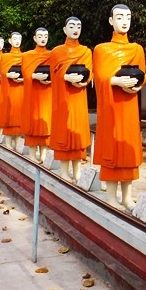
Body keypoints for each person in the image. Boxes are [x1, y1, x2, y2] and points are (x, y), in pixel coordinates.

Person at [93, 4, 146, 210]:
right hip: (111, 106)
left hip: (129, 104)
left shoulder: (137, 49)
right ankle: (111, 196)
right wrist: (116, 82)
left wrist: (137, 84)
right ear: (111, 21)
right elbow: (99, 77)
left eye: (128, 17)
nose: (124, 21)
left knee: (128, 148)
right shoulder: (101, 49)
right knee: (112, 147)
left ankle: (127, 196)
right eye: (120, 17)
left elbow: (143, 72)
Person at [48, 17, 93, 182]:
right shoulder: (57, 52)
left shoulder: (86, 51)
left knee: (78, 132)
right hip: (63, 98)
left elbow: (90, 73)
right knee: (64, 132)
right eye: (72, 26)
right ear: (64, 30)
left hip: (78, 97)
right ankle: (64, 171)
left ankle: (78, 171)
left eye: (79, 26)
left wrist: (83, 79)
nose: (76, 29)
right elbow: (54, 73)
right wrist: (65, 76)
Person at [21, 28, 53, 162]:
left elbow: (56, 70)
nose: (43, 38)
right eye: (40, 36)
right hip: (33, 93)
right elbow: (25, 72)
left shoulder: (52, 54)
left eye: (45, 36)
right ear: (34, 38)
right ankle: (33, 155)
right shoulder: (28, 55)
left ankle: (44, 156)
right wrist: (33, 75)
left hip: (47, 93)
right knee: (33, 122)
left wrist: (51, 78)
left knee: (46, 123)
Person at [0, 32, 24, 149]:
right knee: (10, 114)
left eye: (19, 38)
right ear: (10, 41)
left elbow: (27, 70)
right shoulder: (5, 57)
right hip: (9, 89)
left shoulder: (25, 56)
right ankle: (8, 143)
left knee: (19, 115)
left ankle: (18, 142)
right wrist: (8, 74)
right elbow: (2, 71)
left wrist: (23, 77)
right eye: (14, 38)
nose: (17, 41)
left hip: (20, 89)